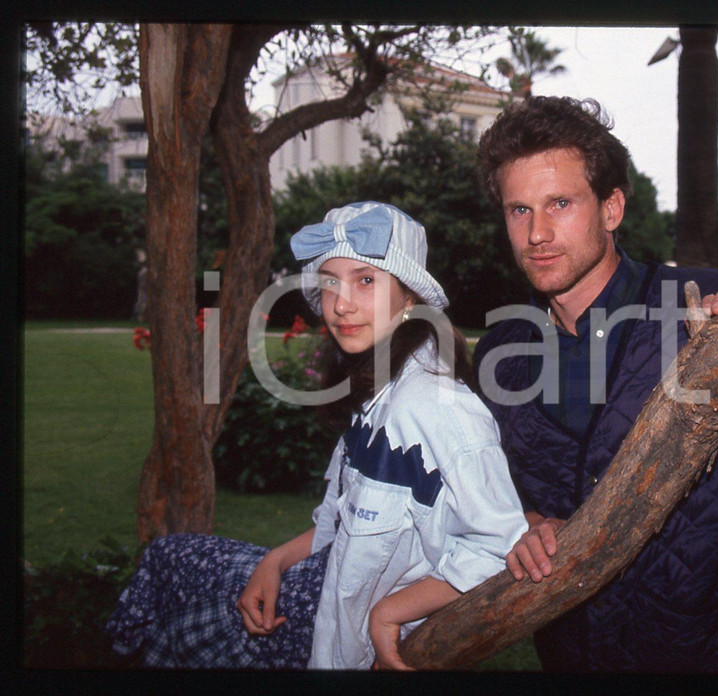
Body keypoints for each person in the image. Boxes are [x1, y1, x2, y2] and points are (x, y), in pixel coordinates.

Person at [472, 96, 718, 673]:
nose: (537, 232)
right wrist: (527, 523)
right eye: (518, 210)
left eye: (560, 203)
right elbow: (484, 487)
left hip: (711, 649)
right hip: (573, 650)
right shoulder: (502, 350)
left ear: (611, 208)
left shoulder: (699, 302)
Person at [105, 201, 527, 670]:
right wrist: (276, 562)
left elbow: (500, 545)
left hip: (330, 632)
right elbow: (346, 520)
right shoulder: (379, 393)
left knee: (173, 618)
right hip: (322, 589)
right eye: (330, 282)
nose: (341, 304)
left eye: (366, 280)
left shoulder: (437, 408)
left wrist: (392, 612)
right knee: (167, 558)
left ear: (410, 298)